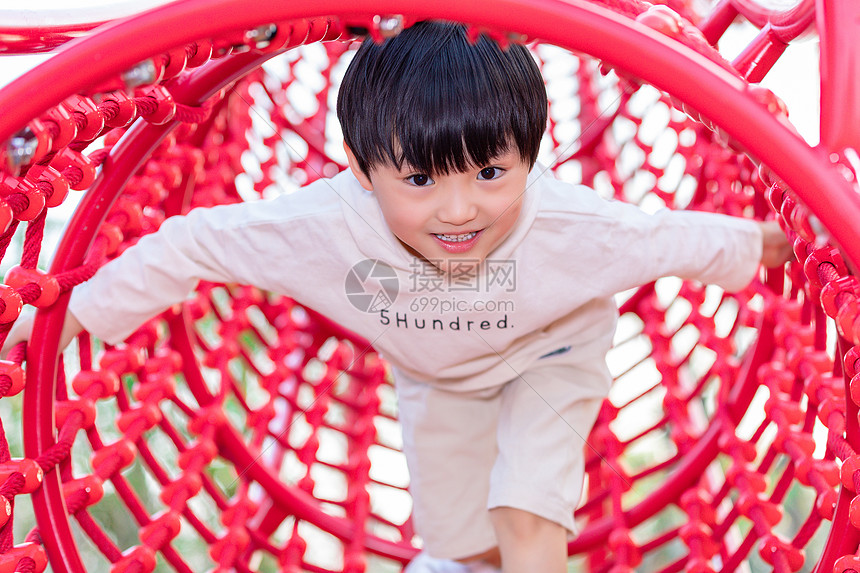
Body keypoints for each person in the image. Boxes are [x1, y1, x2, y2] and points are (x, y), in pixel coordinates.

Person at [5, 21, 792, 573]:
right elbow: (193, 243)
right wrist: (74, 312)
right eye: (419, 180)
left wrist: (776, 240)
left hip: (552, 348)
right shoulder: (318, 227)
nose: (459, 211)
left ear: (532, 154)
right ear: (358, 164)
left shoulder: (569, 224)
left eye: (491, 173)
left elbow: (669, 237)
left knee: (526, 509)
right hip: (436, 376)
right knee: (459, 536)